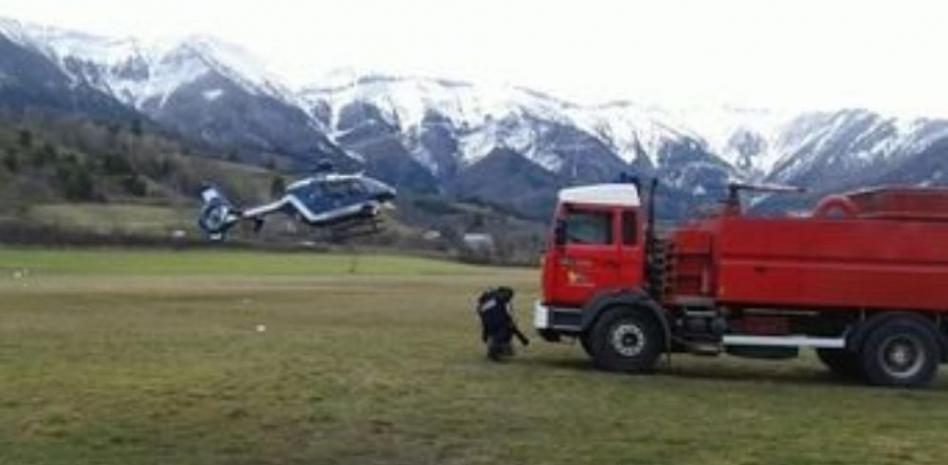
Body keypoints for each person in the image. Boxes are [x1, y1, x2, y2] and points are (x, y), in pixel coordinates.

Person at [476, 286, 529, 361]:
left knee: (500, 330)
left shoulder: (491, 297)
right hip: (494, 321)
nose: (509, 299)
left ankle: (498, 347)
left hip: (487, 319)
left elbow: (484, 318)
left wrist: (485, 334)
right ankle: (496, 351)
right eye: (509, 297)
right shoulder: (500, 301)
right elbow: (509, 322)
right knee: (504, 331)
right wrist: (522, 338)